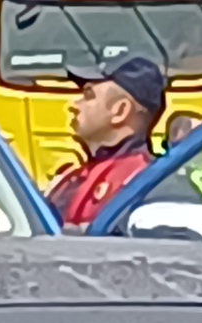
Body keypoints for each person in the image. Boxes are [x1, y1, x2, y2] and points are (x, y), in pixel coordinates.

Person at [46, 53, 170, 229]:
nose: (74, 104)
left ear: (120, 111)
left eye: (89, 95)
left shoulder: (139, 182)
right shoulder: (71, 176)